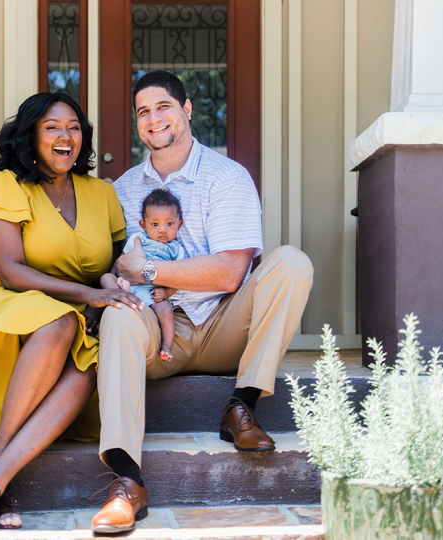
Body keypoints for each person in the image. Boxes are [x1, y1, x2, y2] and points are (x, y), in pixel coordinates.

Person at [90, 71, 314, 534]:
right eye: (143, 112)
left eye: (164, 107)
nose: (154, 119)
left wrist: (147, 271)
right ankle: (127, 482)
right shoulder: (122, 190)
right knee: (117, 313)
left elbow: (231, 273)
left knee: (291, 263)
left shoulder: (227, 177)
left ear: (187, 109)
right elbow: (114, 268)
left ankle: (242, 404)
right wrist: (118, 280)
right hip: (156, 326)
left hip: (221, 324)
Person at [0, 92, 144, 539]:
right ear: (31, 135)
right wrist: (88, 297)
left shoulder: (101, 193)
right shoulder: (2, 187)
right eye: (52, 127)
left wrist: (108, 287)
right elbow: (11, 271)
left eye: (73, 127)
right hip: (11, 303)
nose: (65, 135)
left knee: (89, 364)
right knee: (59, 322)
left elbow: (110, 264)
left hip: (79, 305)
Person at [100, 188, 186, 361]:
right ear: (143, 225)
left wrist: (167, 293)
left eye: (169, 224)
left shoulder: (177, 250)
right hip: (128, 285)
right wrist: (114, 278)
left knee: (166, 310)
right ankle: (120, 293)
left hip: (152, 292)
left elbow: (179, 278)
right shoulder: (138, 239)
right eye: (155, 224)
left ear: (179, 224)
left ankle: (167, 346)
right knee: (105, 278)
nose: (163, 230)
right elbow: (121, 260)